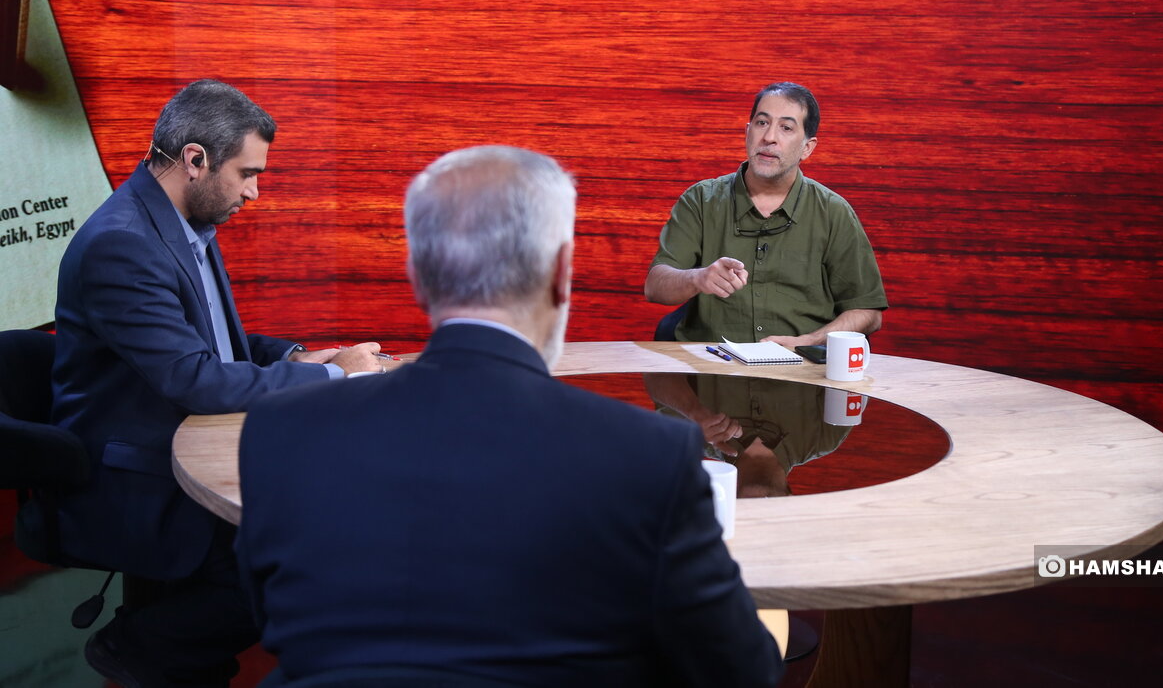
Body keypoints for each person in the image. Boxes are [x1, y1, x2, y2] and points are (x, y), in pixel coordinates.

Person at [236, 146, 784, 687]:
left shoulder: (279, 431)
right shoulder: (651, 458)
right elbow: (740, 671)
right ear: (561, 273)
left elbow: (271, 618)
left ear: (417, 275)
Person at [51, 79, 386, 687]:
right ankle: (138, 646)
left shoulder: (180, 223)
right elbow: (195, 379)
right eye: (247, 174)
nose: (254, 192)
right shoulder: (122, 245)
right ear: (195, 159)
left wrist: (300, 358)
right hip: (138, 477)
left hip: (187, 444)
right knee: (298, 558)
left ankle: (180, 654)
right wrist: (336, 376)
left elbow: (210, 345)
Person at [646, 81, 887, 347]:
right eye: (762, 123)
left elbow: (868, 311)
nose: (769, 137)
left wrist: (807, 342)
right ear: (747, 132)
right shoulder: (701, 200)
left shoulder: (833, 212)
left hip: (800, 366)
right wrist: (698, 278)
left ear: (807, 147)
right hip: (711, 363)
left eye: (786, 128)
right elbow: (655, 286)